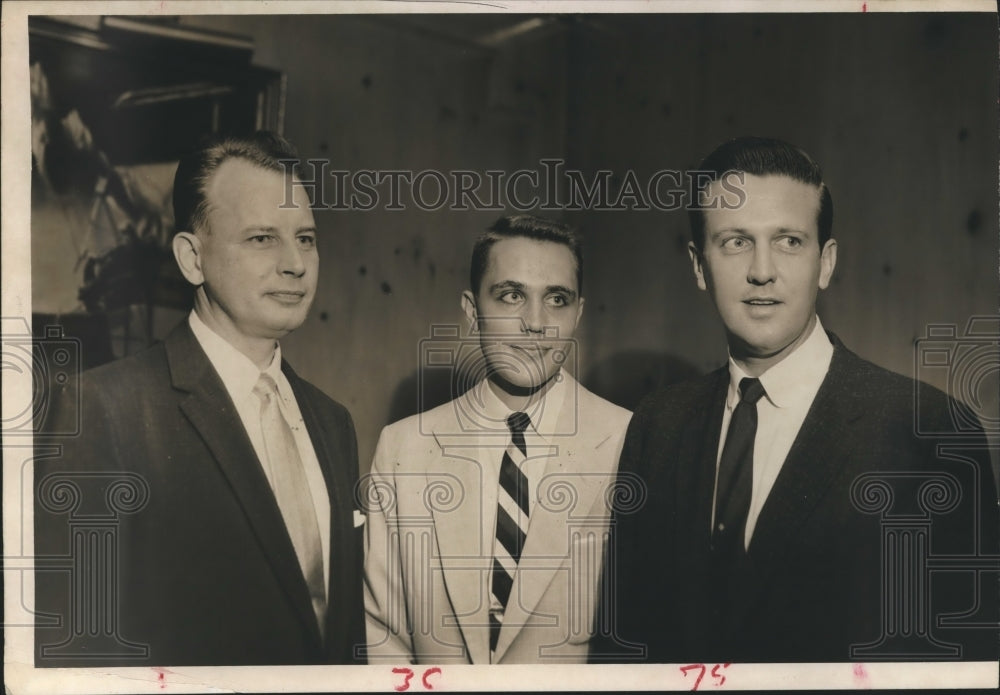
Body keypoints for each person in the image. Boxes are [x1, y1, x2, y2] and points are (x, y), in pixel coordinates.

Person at [593, 136, 999, 663]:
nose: (763, 270)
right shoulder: (659, 424)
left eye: (788, 241)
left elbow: (968, 657)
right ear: (698, 266)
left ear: (825, 262)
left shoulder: (928, 428)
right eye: (736, 242)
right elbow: (625, 647)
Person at [34, 131, 365, 666]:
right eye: (262, 238)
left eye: (306, 238)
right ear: (191, 259)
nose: (295, 263)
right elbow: (74, 643)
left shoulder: (333, 422)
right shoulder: (104, 407)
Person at [363, 215, 632, 664]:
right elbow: (382, 635)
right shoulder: (403, 447)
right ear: (471, 311)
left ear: (578, 313)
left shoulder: (627, 439)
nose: (535, 322)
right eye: (511, 296)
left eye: (557, 299)